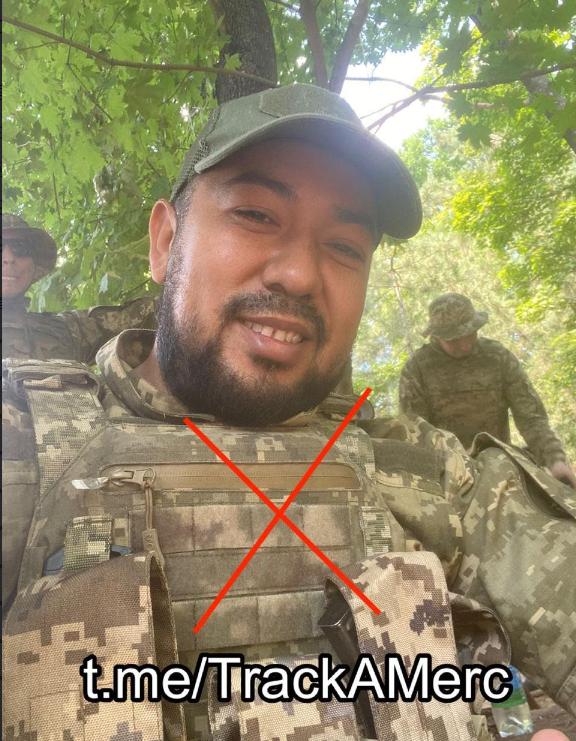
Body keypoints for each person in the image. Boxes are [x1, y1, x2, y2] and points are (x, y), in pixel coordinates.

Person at [3, 84, 575, 741]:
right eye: (255, 214)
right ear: (164, 242)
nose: (301, 274)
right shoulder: (25, 448)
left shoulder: (431, 473)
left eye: (345, 247)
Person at [399, 292, 576, 488]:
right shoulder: (417, 369)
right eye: (454, 340)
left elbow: (531, 417)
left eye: (470, 334)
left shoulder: (497, 357)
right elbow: (416, 433)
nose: (464, 345)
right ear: (437, 336)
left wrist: (555, 460)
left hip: (501, 469)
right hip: (448, 476)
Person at [2, 213, 157, 362]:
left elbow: (147, 315)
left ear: (34, 265)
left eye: (20, 249)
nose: (8, 258)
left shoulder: (65, 332)